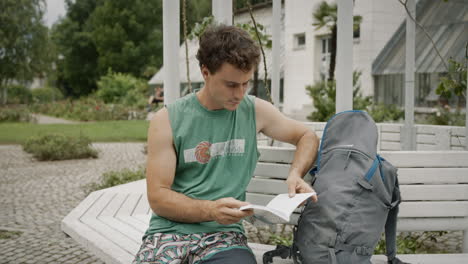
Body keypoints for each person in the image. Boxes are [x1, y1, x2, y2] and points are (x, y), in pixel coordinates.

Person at [133, 24, 320, 264]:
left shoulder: (254, 111)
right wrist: (210, 211)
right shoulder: (168, 119)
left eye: (246, 84)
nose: (240, 94)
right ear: (205, 72)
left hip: (224, 239)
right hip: (168, 234)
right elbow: (158, 197)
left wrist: (296, 173)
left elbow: (307, 136)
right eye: (231, 84)